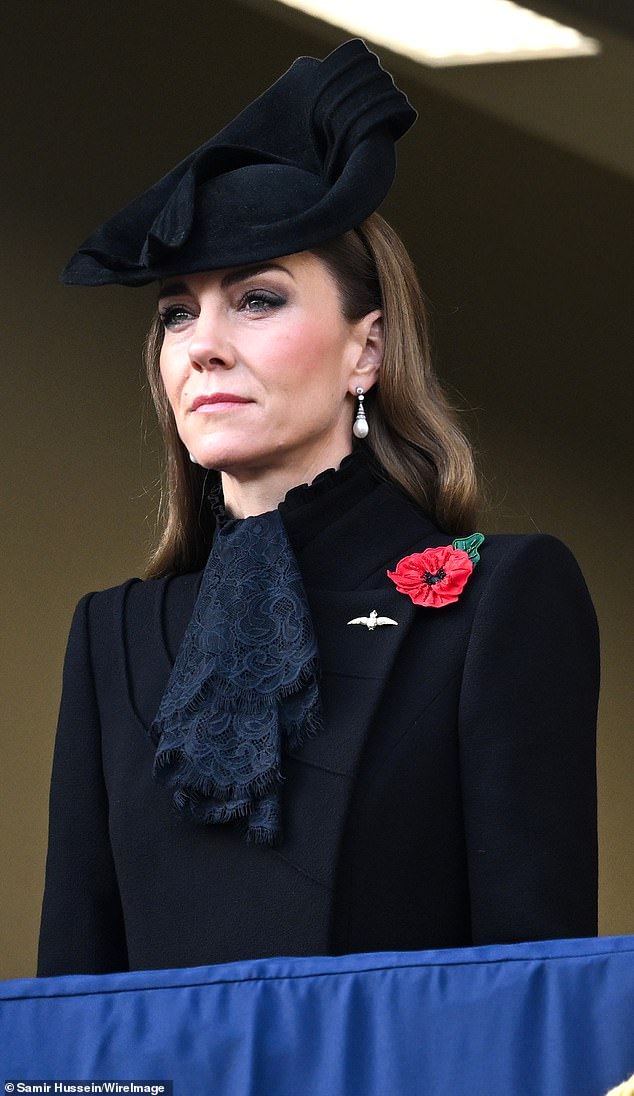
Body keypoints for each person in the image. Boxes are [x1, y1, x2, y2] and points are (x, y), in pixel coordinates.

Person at [37, 39, 599, 977]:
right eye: (177, 312)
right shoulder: (111, 634)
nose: (201, 346)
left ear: (365, 351)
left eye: (257, 299)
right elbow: (78, 997)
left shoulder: (498, 596)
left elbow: (534, 985)